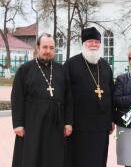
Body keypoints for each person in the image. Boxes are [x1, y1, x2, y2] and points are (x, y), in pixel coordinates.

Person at [11, 34, 73, 167]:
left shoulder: (61, 70)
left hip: (56, 124)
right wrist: (18, 124)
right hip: (33, 124)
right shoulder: (25, 70)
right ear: (37, 48)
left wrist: (68, 122)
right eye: (45, 47)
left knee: (54, 158)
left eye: (51, 48)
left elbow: (68, 98)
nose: (48, 51)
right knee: (32, 157)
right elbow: (17, 97)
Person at [64, 27, 114, 167]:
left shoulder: (105, 66)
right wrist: (67, 121)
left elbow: (111, 93)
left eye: (97, 42)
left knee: (98, 160)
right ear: (84, 43)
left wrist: (111, 119)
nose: (94, 45)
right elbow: (65, 95)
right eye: (90, 41)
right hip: (79, 127)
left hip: (101, 127)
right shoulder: (71, 64)